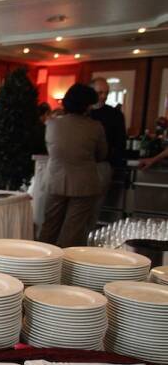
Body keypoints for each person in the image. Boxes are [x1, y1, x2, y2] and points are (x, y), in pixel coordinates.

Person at [39, 84, 108, 248]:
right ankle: (66, 263)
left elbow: (51, 149)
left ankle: (42, 259)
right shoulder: (95, 127)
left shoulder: (52, 124)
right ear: (87, 105)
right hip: (84, 183)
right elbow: (102, 155)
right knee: (73, 231)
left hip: (55, 180)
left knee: (49, 227)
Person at [88, 77, 127, 225]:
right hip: (81, 167)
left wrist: (111, 164)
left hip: (101, 166)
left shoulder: (115, 115)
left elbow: (120, 143)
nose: (104, 96)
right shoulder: (83, 114)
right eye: (100, 93)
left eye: (106, 93)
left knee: (95, 210)